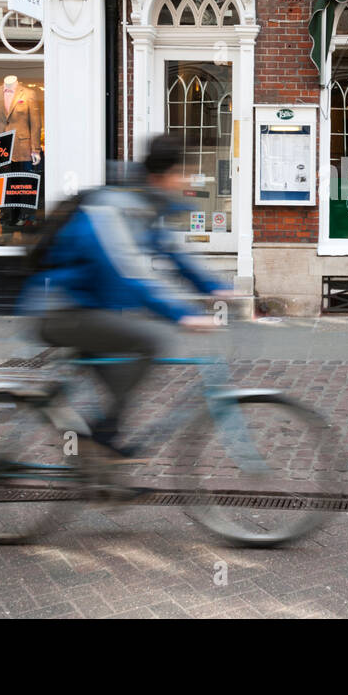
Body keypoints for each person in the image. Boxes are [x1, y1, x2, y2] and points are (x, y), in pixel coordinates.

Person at [20, 135, 230, 458]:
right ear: (158, 178)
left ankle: (97, 449)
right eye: (180, 173)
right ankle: (101, 440)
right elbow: (130, 274)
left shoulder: (147, 207)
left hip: (88, 307)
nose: (186, 180)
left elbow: (175, 253)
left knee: (122, 372)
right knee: (146, 342)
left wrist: (215, 287)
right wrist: (181, 314)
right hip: (59, 309)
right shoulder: (113, 211)